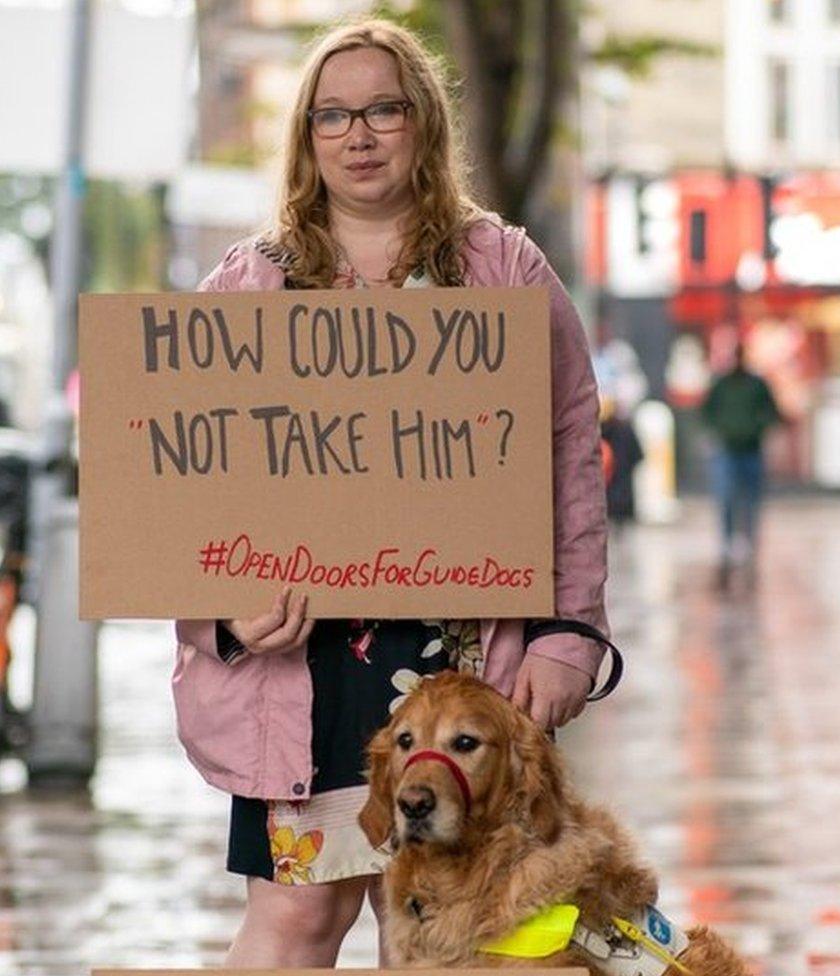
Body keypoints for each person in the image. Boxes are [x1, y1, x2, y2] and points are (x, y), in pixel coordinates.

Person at [171, 19, 609, 969]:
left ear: (423, 124)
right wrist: (226, 613)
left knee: (457, 934)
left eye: (382, 109)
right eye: (333, 115)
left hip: (467, 664)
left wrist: (570, 633)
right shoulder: (247, 289)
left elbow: (570, 448)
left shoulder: (505, 271)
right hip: (303, 676)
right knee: (294, 922)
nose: (358, 134)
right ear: (306, 136)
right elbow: (179, 479)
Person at [701, 340, 781, 586]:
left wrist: (757, 427)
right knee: (726, 498)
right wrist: (719, 432)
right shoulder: (721, 384)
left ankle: (749, 542)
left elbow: (772, 412)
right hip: (727, 449)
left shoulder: (757, 385)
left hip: (751, 450)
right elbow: (707, 412)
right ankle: (728, 543)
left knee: (750, 500)